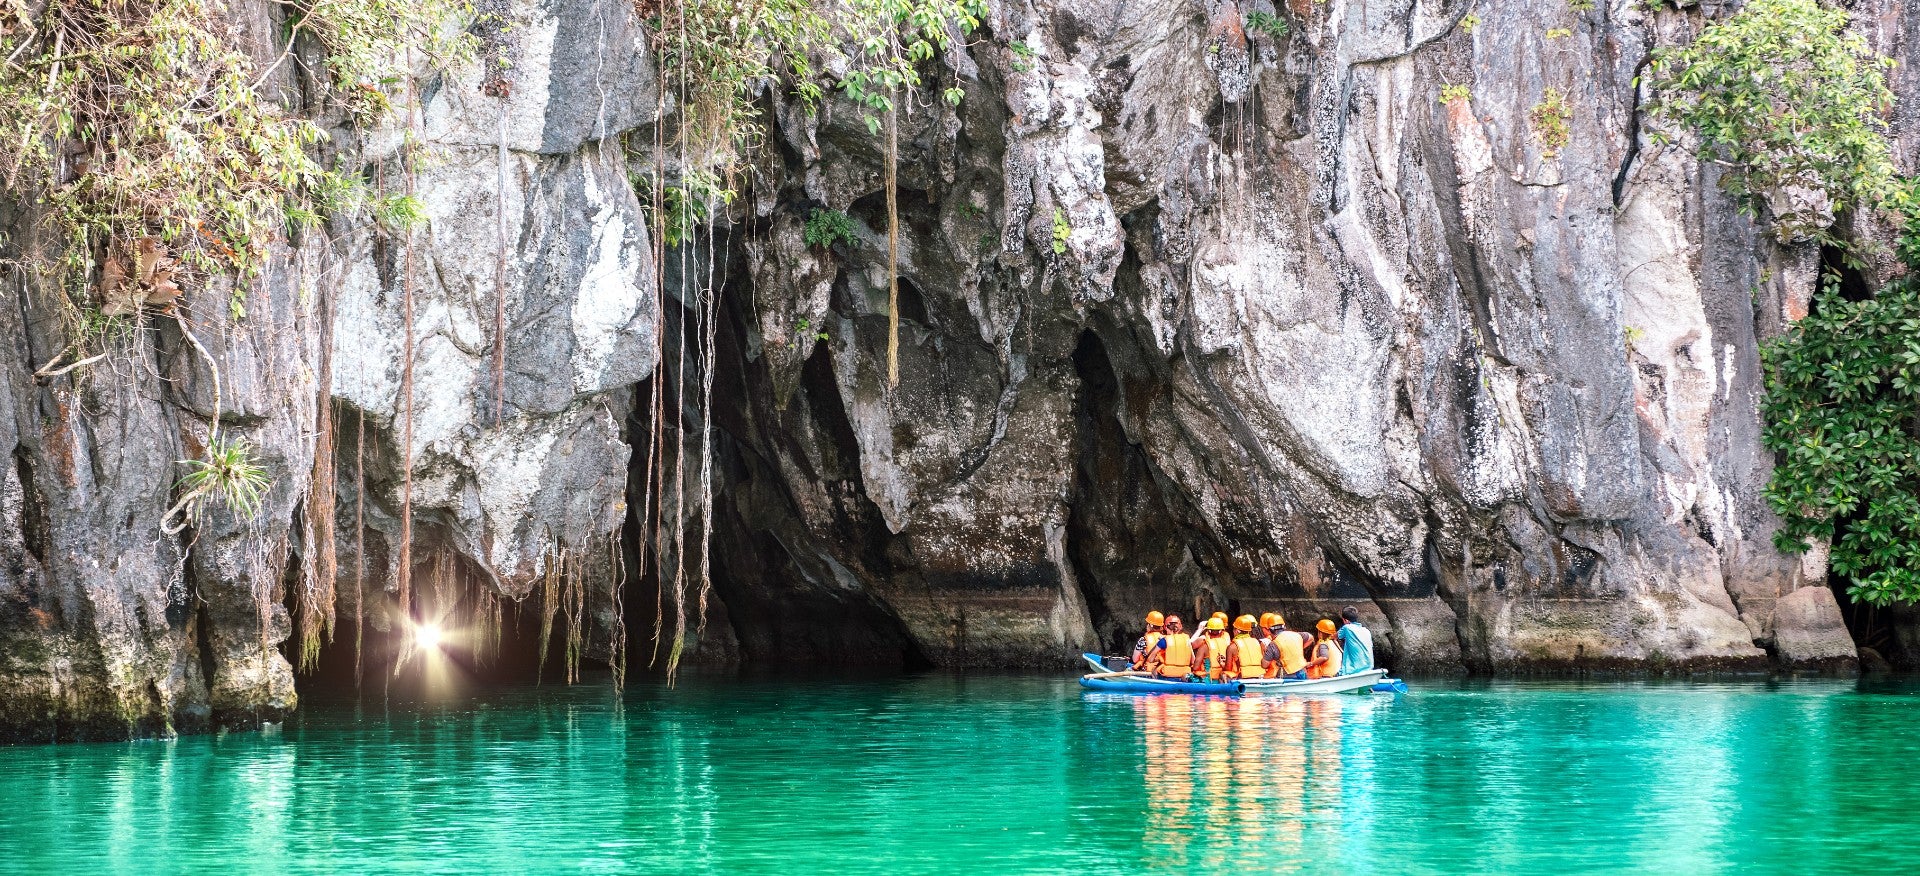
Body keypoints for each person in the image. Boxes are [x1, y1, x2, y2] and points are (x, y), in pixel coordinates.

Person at [1225, 615, 1270, 680]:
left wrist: (1222, 664)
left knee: (1223, 674)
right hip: (1260, 677)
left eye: (1233, 629)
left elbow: (1228, 668)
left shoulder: (1232, 647)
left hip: (1243, 678)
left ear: (1237, 631)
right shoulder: (1259, 643)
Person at [1266, 615, 1309, 680]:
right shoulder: (1296, 635)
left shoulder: (1273, 644)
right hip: (1302, 671)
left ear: (1270, 630)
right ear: (1284, 627)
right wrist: (1298, 648)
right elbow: (1311, 637)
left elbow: (1264, 664)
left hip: (1287, 675)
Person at [1336, 607, 1374, 675]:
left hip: (1354, 670)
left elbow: (1334, 636)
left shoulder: (1347, 627)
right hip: (1369, 667)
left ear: (1346, 621)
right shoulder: (1366, 630)